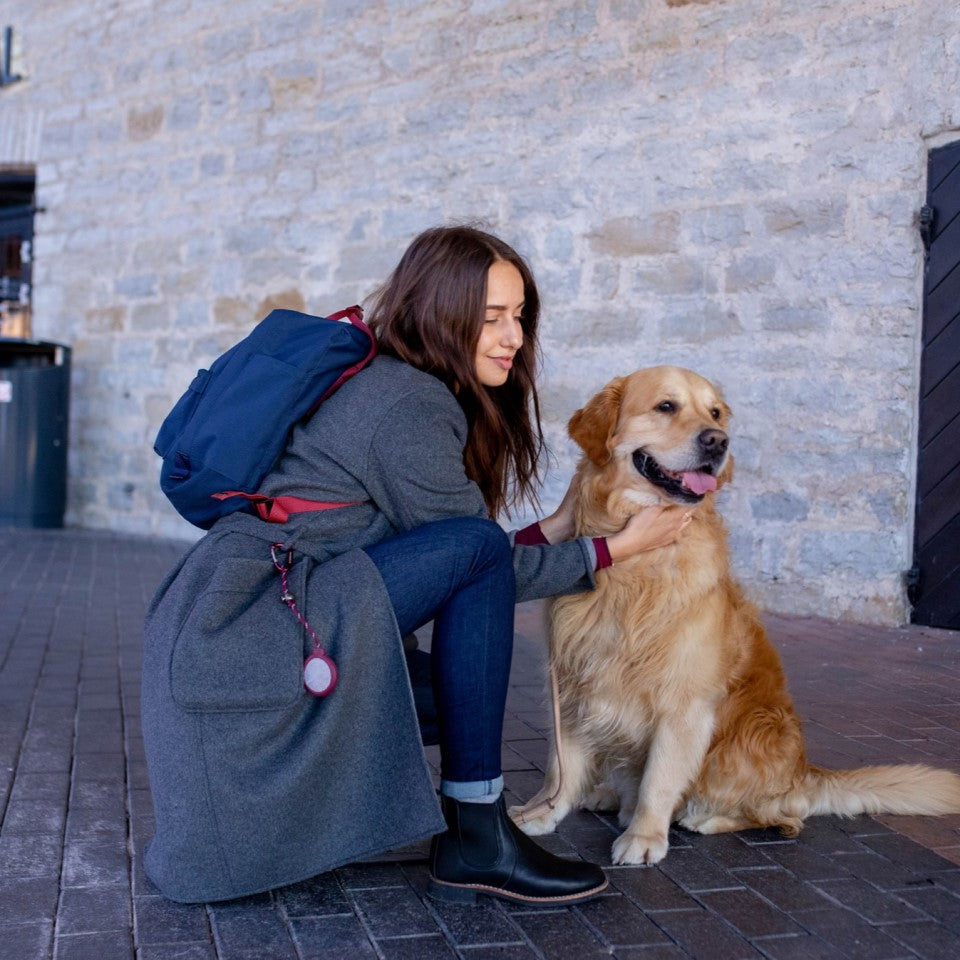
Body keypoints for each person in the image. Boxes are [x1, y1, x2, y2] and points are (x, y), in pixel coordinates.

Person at [141, 225, 688, 905]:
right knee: (477, 574)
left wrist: (553, 530)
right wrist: (616, 548)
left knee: (466, 648)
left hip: (241, 623)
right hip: (255, 632)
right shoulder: (409, 403)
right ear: (440, 311)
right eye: (490, 318)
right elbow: (481, 557)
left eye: (518, 316)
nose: (512, 337)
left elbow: (463, 559)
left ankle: (469, 829)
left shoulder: (390, 379)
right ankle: (475, 834)